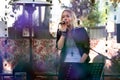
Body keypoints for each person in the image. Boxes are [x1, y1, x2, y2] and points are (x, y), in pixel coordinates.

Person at [56, 9, 91, 80]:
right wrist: (63, 33)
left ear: (73, 18)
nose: (65, 18)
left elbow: (86, 50)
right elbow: (59, 47)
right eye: (63, 17)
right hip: (65, 65)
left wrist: (80, 64)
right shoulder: (60, 31)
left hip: (80, 63)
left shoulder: (81, 30)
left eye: (67, 16)